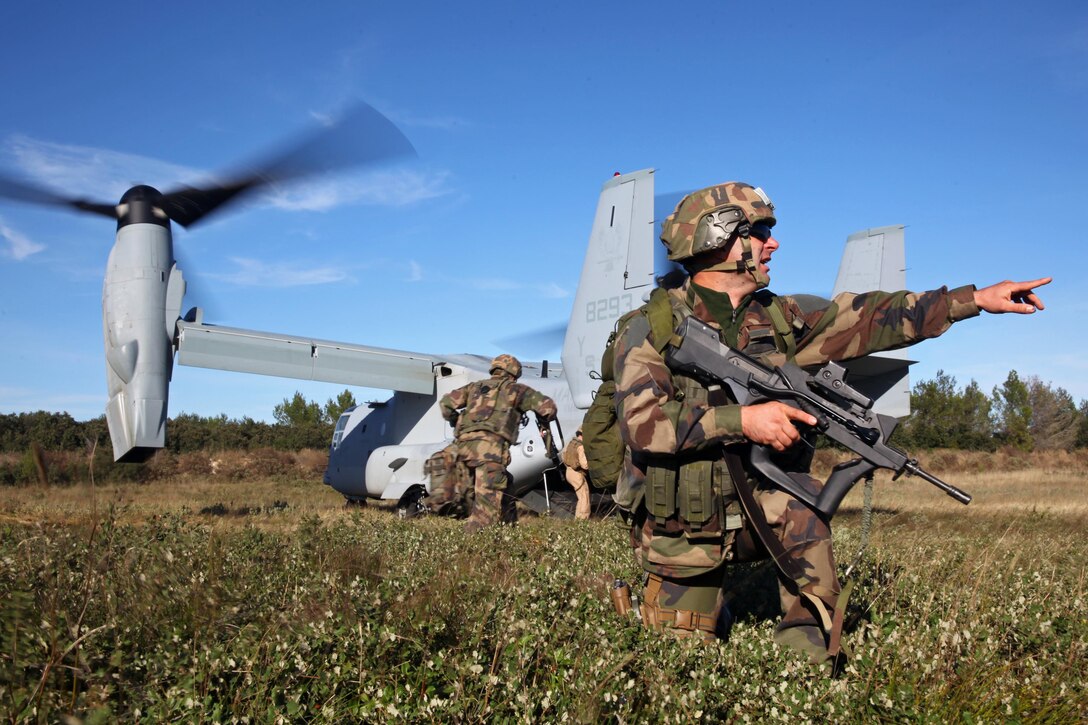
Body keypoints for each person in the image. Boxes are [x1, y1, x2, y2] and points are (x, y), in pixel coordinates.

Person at [611, 181, 1051, 662]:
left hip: (759, 508)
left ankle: (806, 650)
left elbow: (874, 316)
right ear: (720, 238)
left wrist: (974, 300)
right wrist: (745, 420)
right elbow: (645, 426)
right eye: (759, 232)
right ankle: (701, 605)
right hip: (683, 525)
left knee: (807, 510)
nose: (772, 243)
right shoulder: (653, 326)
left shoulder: (783, 317)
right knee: (678, 663)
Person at [440, 354, 558, 532]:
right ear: (513, 373)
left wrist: (456, 421)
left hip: (462, 453)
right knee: (483, 517)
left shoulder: (474, 388)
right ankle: (468, 555)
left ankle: (509, 533)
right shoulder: (515, 390)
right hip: (489, 455)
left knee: (506, 487)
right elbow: (548, 408)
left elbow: (445, 403)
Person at [561, 428, 592, 520]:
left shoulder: (570, 443)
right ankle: (583, 520)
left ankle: (578, 519)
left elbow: (563, 456)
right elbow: (585, 465)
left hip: (569, 472)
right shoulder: (580, 447)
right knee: (584, 498)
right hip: (577, 474)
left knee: (581, 498)